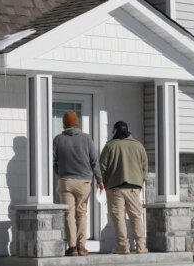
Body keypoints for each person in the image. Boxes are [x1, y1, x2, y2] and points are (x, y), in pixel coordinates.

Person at [53, 110, 103, 257]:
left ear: (64, 123)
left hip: (66, 181)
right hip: (84, 182)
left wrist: (60, 173)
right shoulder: (87, 139)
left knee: (69, 214)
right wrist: (99, 180)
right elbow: (94, 161)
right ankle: (82, 247)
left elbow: (53, 161)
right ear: (77, 122)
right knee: (81, 213)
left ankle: (72, 247)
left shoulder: (58, 139)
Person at [99, 121, 149, 254]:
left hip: (115, 187)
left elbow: (101, 167)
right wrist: (140, 182)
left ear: (115, 131)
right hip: (134, 187)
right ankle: (141, 246)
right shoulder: (138, 145)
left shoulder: (110, 146)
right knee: (136, 216)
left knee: (118, 217)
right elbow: (145, 167)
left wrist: (104, 182)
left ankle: (122, 246)